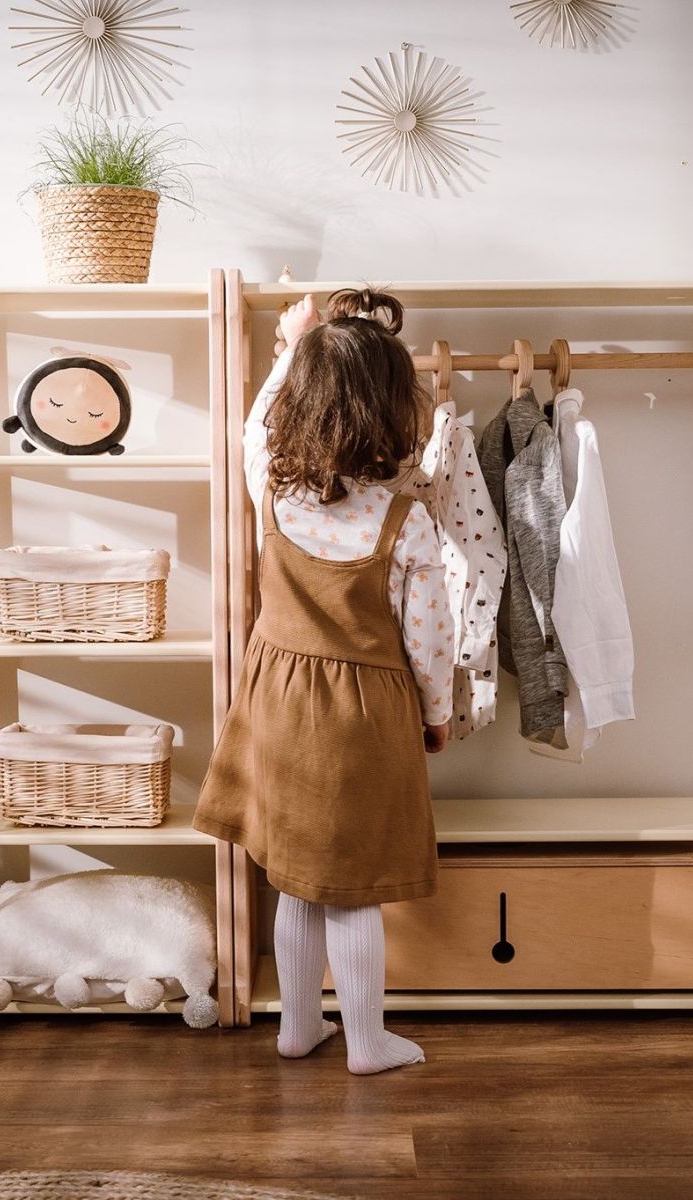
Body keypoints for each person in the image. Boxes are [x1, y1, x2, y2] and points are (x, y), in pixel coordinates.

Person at [193, 288, 453, 1074]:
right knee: (354, 887)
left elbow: (252, 432)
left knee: (295, 880)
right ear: (394, 413)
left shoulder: (271, 497)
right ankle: (368, 1041)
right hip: (361, 718)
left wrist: (288, 349)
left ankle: (297, 1026)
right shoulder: (404, 522)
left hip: (273, 705)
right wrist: (436, 714)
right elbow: (429, 642)